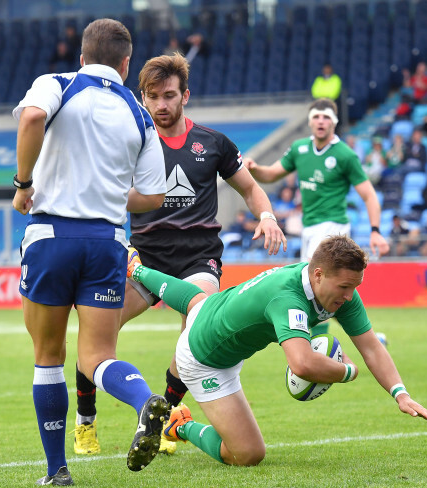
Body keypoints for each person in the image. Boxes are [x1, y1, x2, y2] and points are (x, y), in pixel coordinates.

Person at [73, 52, 286, 455]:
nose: (161, 105)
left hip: (196, 260)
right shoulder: (128, 141)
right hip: (143, 259)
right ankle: (85, 422)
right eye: (153, 97)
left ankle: (165, 417)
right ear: (142, 98)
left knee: (197, 325)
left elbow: (250, 188)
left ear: (185, 95)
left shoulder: (214, 143)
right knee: (96, 331)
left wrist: (268, 216)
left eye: (169, 95)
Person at [12, 19, 169, 486]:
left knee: (48, 356)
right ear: (126, 64)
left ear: (82, 57)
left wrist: (23, 185)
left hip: (51, 238)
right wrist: (107, 190)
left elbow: (32, 117)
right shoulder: (140, 115)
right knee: (97, 357)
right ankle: (144, 401)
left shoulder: (57, 83)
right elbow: (154, 196)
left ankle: (57, 470)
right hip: (107, 243)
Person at [126, 235, 427, 466]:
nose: (350, 295)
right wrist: (348, 372)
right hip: (204, 360)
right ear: (318, 275)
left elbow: (370, 345)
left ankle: (135, 268)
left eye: (355, 286)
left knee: (196, 301)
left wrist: (400, 393)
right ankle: (179, 425)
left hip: (210, 307)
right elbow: (301, 364)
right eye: (344, 287)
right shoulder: (288, 298)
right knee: (248, 454)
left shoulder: (334, 291)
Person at [245, 98, 390, 335]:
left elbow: (369, 195)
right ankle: (353, 337)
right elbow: (271, 174)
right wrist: (255, 168)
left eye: (325, 117)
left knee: (316, 285)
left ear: (333, 122)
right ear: (310, 121)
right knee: (314, 285)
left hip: (332, 226)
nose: (320, 121)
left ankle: (319, 343)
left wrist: (375, 231)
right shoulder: (299, 148)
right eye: (316, 117)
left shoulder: (344, 155)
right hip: (309, 227)